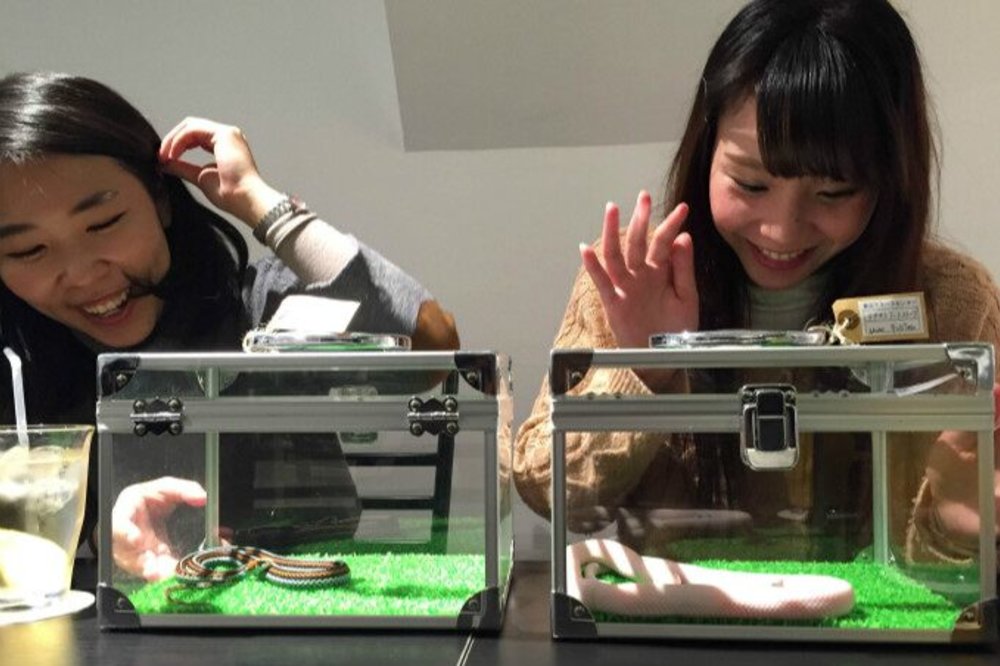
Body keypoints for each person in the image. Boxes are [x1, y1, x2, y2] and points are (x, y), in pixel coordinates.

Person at [514, 0, 1000, 567]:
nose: (780, 231)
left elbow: (954, 568)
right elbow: (548, 491)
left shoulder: (952, 301)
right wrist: (643, 371)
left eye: (833, 193)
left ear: (890, 181)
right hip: (675, 617)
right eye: (750, 184)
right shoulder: (636, 276)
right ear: (706, 151)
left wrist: (956, 523)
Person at [0, 72, 459, 580]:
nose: (84, 274)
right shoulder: (15, 369)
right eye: (28, 250)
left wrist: (259, 201)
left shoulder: (261, 308)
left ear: (160, 199)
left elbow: (431, 350)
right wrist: (97, 537)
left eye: (104, 223)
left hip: (309, 603)